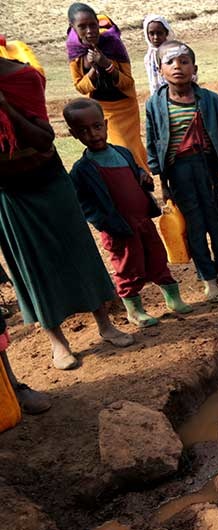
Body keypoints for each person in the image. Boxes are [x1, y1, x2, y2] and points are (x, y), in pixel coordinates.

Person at [0, 56, 133, 371]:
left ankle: (105, 323)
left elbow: (43, 139)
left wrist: (4, 106)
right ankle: (56, 341)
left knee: (79, 250)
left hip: (47, 178)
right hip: (8, 192)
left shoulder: (24, 77)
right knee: (31, 264)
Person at [65, 98, 193, 327]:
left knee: (157, 258)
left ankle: (173, 299)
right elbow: (83, 203)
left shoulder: (123, 153)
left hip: (143, 221)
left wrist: (143, 178)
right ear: (73, 134)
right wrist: (105, 222)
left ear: (105, 124)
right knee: (128, 267)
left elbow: (137, 176)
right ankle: (134, 310)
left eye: (96, 127)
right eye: (83, 131)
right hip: (119, 229)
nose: (93, 134)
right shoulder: (82, 170)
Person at [145, 40, 218, 303]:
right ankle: (208, 279)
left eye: (184, 61)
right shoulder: (155, 105)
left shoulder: (213, 101)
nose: (177, 67)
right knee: (194, 227)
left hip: (208, 171)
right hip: (179, 174)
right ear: (160, 70)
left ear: (195, 68)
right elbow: (153, 141)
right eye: (170, 62)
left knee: (217, 223)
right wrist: (163, 183)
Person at [66, 4, 148, 173]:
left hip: (125, 107)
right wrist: (94, 72)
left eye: (93, 25)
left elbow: (128, 83)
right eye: (82, 26)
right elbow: (80, 87)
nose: (89, 31)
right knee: (115, 153)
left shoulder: (113, 43)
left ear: (98, 23)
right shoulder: (75, 52)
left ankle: (143, 189)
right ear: (73, 27)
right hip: (100, 111)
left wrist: (106, 64)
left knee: (130, 150)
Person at [141, 14, 182, 96]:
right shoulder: (149, 58)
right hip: (158, 99)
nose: (155, 37)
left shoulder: (176, 53)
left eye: (159, 33)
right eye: (151, 33)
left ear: (166, 33)